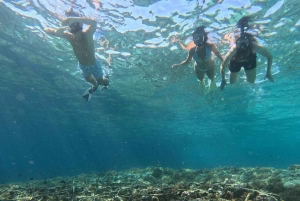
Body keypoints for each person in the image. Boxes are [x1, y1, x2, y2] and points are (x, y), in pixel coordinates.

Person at [44, 17, 109, 101]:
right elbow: (46, 30)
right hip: (82, 65)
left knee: (101, 83)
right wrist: (57, 32)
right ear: (70, 29)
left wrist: (73, 19)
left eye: (75, 25)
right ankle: (94, 85)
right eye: (72, 27)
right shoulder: (70, 37)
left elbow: (94, 23)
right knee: (88, 79)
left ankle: (107, 78)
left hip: (93, 64)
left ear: (80, 24)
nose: (74, 29)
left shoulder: (87, 33)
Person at [220, 16, 274, 91]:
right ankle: (238, 72)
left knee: (251, 81)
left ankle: (242, 72)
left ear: (249, 42)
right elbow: (222, 65)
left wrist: (268, 72)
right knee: (232, 82)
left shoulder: (255, 47)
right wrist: (223, 80)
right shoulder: (234, 50)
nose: (243, 46)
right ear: (237, 43)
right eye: (240, 43)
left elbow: (269, 56)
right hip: (236, 61)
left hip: (249, 60)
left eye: (245, 42)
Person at [172, 26, 224, 93]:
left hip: (210, 67)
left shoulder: (210, 46)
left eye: (200, 37)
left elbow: (218, 54)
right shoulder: (192, 50)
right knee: (201, 80)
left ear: (204, 38)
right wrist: (178, 65)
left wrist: (224, 62)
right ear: (194, 39)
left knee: (212, 78)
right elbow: (187, 61)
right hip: (198, 68)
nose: (198, 39)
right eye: (196, 37)